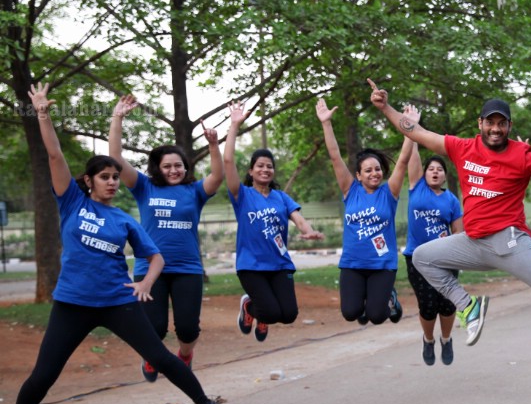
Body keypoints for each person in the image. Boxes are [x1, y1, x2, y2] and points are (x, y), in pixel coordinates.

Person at [0, 83, 228, 404]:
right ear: (89, 181)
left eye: (113, 177)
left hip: (117, 301)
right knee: (44, 374)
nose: (110, 182)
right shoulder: (71, 203)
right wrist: (42, 113)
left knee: (163, 355)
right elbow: (55, 156)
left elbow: (155, 257)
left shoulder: (124, 220)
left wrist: (145, 283)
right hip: (72, 304)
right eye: (104, 177)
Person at [368, 79, 531, 347]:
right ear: (480, 124)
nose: (496, 129)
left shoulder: (523, 156)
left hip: (509, 242)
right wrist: (386, 107)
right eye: (490, 123)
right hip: (473, 241)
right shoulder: (462, 148)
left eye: (501, 123)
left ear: (509, 126)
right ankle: (468, 307)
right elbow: (417, 132)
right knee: (422, 257)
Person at [108, 95, 224, 382]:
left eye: (178, 165)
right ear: (157, 169)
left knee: (187, 329)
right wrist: (118, 118)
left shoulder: (195, 191)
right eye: (167, 166)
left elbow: (218, 176)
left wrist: (213, 146)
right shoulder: (144, 187)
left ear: (185, 167)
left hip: (187, 268)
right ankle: (152, 356)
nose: (173, 170)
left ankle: (185, 355)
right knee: (155, 327)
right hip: (149, 270)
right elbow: (115, 159)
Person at [224, 101, 324, 342]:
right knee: (269, 312)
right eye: (260, 166)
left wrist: (308, 231)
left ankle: (254, 310)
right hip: (251, 265)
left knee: (288, 314)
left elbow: (298, 219)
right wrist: (234, 125)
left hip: (279, 264)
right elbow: (227, 161)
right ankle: (250, 307)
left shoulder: (281, 197)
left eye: (269, 166)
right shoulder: (242, 195)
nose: (265, 169)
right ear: (250, 171)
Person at [316, 98, 412, 327]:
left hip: (382, 264)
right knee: (351, 313)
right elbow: (335, 156)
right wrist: (326, 124)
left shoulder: (389, 192)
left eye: (377, 169)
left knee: (377, 316)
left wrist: (410, 129)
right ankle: (372, 299)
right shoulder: (351, 190)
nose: (374, 173)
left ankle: (389, 298)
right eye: (368, 170)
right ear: (358, 175)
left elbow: (402, 161)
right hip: (353, 263)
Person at [403, 140, 464, 365]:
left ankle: (446, 339)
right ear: (424, 173)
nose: (435, 172)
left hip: (444, 257)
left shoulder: (452, 200)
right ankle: (428, 340)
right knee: (428, 305)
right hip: (416, 257)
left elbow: (458, 231)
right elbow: (413, 157)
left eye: (440, 169)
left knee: (447, 304)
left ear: (445, 176)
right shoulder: (416, 187)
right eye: (431, 169)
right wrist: (412, 133)